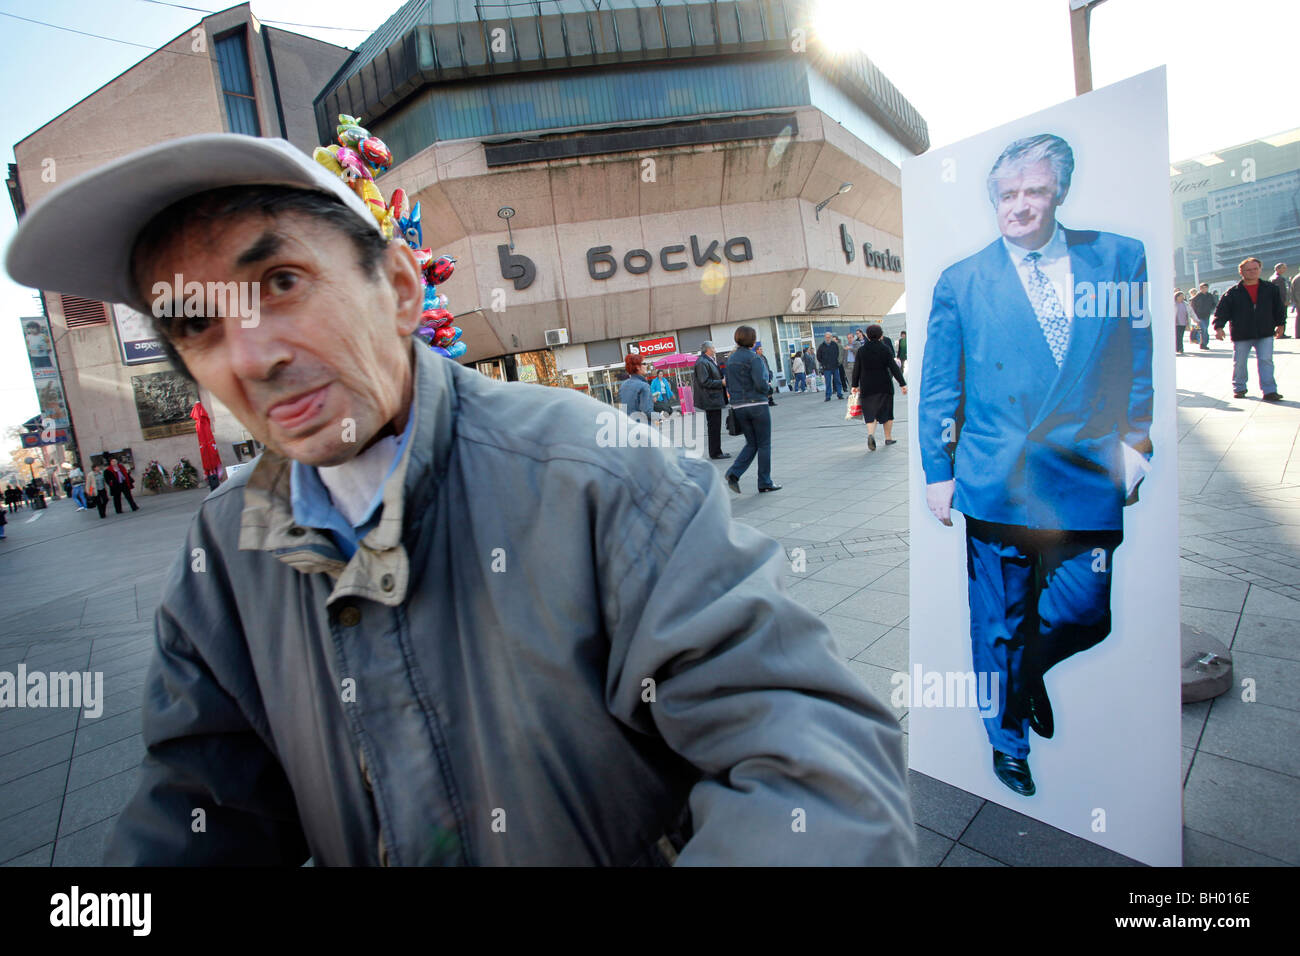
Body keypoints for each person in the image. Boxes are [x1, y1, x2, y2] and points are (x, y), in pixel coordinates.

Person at [6, 132, 913, 866]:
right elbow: (196, 813)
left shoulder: (594, 472)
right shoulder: (224, 554)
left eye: (281, 283)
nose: (250, 355)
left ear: (400, 288)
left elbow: (815, 767)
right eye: (196, 324)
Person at [918, 133, 1154, 798]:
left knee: (1085, 611)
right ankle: (1007, 742)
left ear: (1060, 192)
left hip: (1084, 474)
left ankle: (1023, 680)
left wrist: (1137, 442)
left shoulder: (1116, 258)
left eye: (1035, 191)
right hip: (997, 479)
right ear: (993, 199)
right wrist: (939, 470)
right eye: (1007, 194)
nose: (1020, 206)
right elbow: (940, 389)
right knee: (998, 623)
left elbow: (1134, 359)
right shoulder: (962, 282)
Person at [1214, 257, 1285, 400]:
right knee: (1240, 362)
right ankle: (1239, 388)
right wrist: (1219, 327)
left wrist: (1281, 324)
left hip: (1264, 331)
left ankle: (1269, 390)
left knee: (1266, 360)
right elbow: (1222, 311)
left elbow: (1279, 308)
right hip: (1242, 333)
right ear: (1241, 272)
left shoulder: (1271, 289)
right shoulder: (1233, 292)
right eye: (1248, 270)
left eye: (1255, 269)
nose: (1252, 272)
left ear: (1260, 269)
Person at [723, 326, 779, 494]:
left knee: (752, 443)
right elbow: (761, 384)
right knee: (764, 444)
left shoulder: (731, 359)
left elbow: (729, 384)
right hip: (757, 405)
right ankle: (764, 481)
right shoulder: (754, 358)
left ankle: (734, 473)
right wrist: (769, 390)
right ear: (752, 340)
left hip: (739, 406)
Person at [851, 325, 907, 451]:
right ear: (881, 335)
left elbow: (856, 370)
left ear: (868, 335)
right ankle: (888, 438)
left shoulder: (861, 351)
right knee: (887, 412)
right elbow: (894, 368)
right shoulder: (885, 349)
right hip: (884, 386)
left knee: (870, 413)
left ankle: (871, 434)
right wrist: (902, 384)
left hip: (867, 387)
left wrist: (854, 385)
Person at [691, 342, 729, 460]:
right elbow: (704, 381)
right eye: (713, 348)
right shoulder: (702, 362)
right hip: (710, 399)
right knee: (714, 426)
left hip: (713, 398)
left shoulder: (708, 360)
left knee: (715, 426)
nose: (715, 350)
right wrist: (721, 383)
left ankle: (717, 451)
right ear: (707, 349)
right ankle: (715, 452)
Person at [618, 353, 654, 425]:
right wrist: (661, 416)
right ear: (637, 367)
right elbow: (646, 411)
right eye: (644, 363)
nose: (646, 366)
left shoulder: (623, 385)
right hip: (644, 427)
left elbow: (623, 409)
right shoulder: (644, 386)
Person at [817, 332, 843, 401]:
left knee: (838, 381)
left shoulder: (834, 345)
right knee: (828, 382)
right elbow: (818, 356)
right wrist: (823, 363)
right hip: (827, 368)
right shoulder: (821, 346)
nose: (828, 338)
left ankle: (839, 394)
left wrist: (837, 362)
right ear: (825, 338)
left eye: (829, 337)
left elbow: (838, 354)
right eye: (826, 337)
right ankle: (828, 396)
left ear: (831, 337)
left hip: (835, 366)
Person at [1190, 282, 1216, 351]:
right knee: (1203, 329)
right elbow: (1193, 307)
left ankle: (1204, 343)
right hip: (1199, 316)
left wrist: (1210, 309)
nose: (1205, 289)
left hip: (1207, 315)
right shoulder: (1197, 297)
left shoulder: (1210, 295)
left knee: (1205, 329)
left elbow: (1214, 304)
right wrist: (1194, 316)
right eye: (1203, 288)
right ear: (1200, 289)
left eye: (1206, 287)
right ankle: (1203, 344)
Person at [1269, 263, 1290, 338]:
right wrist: (1285, 301)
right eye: (1283, 268)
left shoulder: (1273, 277)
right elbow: (1281, 292)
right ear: (1278, 269)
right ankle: (1281, 333)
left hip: (1276, 301)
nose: (1285, 269)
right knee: (1282, 317)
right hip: (1281, 302)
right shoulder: (1279, 278)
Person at [754, 342, 776, 407]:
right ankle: (767, 402)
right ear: (757, 350)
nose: (761, 350)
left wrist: (769, 373)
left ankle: (770, 401)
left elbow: (767, 365)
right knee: (767, 389)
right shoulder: (756, 358)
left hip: (767, 375)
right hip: (762, 376)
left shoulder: (763, 357)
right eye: (760, 349)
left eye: (761, 349)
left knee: (769, 389)